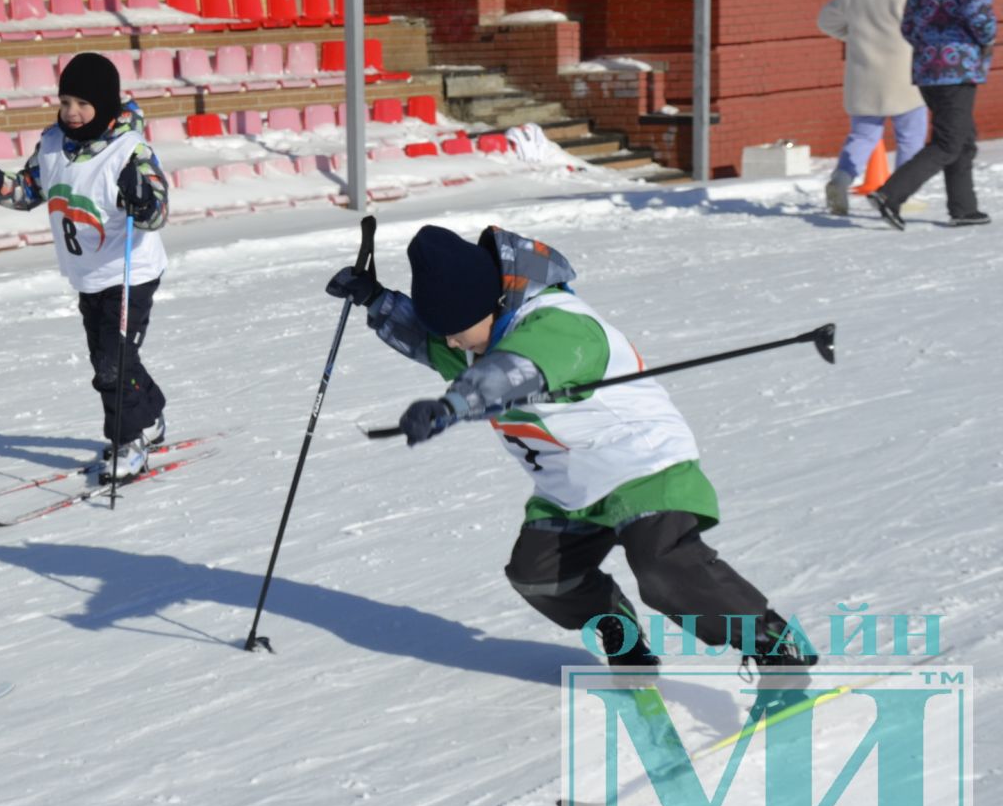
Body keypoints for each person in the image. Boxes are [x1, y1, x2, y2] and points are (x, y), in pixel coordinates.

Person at [328, 223, 816, 672]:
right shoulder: (473, 339)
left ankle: (772, 643)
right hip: (571, 484)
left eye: (457, 331)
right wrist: (377, 300)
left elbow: (515, 370)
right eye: (448, 335)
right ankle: (623, 641)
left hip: (640, 463)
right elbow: (428, 340)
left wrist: (454, 403)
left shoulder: (558, 323)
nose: (453, 346)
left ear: (490, 305)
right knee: (538, 576)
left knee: (662, 564)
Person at [0, 52, 171, 480]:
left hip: (129, 272)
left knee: (113, 363)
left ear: (106, 105)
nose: (72, 113)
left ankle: (128, 442)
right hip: (86, 274)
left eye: (83, 104)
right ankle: (150, 412)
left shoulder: (131, 150)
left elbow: (157, 212)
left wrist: (140, 197)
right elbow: (27, 191)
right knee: (110, 355)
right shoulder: (52, 144)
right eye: (66, 101)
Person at [868, 0, 995, 229]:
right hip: (958, 66)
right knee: (948, 142)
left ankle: (964, 208)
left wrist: (929, 49)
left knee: (962, 137)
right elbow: (980, 16)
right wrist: (985, 41)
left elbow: (908, 23)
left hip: (927, 68)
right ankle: (889, 194)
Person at [816, 0, 927, 215]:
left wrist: (853, 36)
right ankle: (901, 193)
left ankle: (840, 179)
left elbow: (825, 21)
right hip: (906, 79)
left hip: (864, 78)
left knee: (863, 135)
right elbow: (925, 29)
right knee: (910, 138)